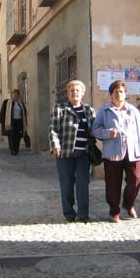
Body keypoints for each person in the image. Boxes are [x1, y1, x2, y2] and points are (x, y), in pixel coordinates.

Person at [92, 79, 140, 223]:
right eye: (116, 92)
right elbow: (95, 129)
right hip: (113, 153)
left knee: (135, 179)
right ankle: (114, 211)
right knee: (112, 184)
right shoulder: (104, 111)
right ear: (111, 95)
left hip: (133, 152)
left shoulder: (133, 111)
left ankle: (129, 205)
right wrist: (107, 133)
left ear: (125, 94)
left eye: (121, 92)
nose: (119, 94)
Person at [49, 79, 95, 222]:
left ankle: (83, 214)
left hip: (83, 154)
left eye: (77, 90)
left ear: (82, 93)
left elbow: (95, 129)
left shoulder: (89, 110)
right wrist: (55, 145)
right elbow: (53, 129)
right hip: (65, 153)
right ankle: (69, 213)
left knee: (83, 183)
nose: (74, 92)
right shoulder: (60, 109)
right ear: (68, 93)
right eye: (72, 90)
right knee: (67, 183)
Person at [0, 89, 28, 155]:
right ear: (11, 96)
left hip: (19, 121)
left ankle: (16, 149)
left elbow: (24, 114)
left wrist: (25, 122)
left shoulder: (21, 104)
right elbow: (3, 111)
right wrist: (1, 121)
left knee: (18, 137)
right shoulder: (7, 102)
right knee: (12, 136)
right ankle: (12, 149)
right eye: (13, 95)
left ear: (18, 96)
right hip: (11, 122)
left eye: (16, 95)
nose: (14, 96)